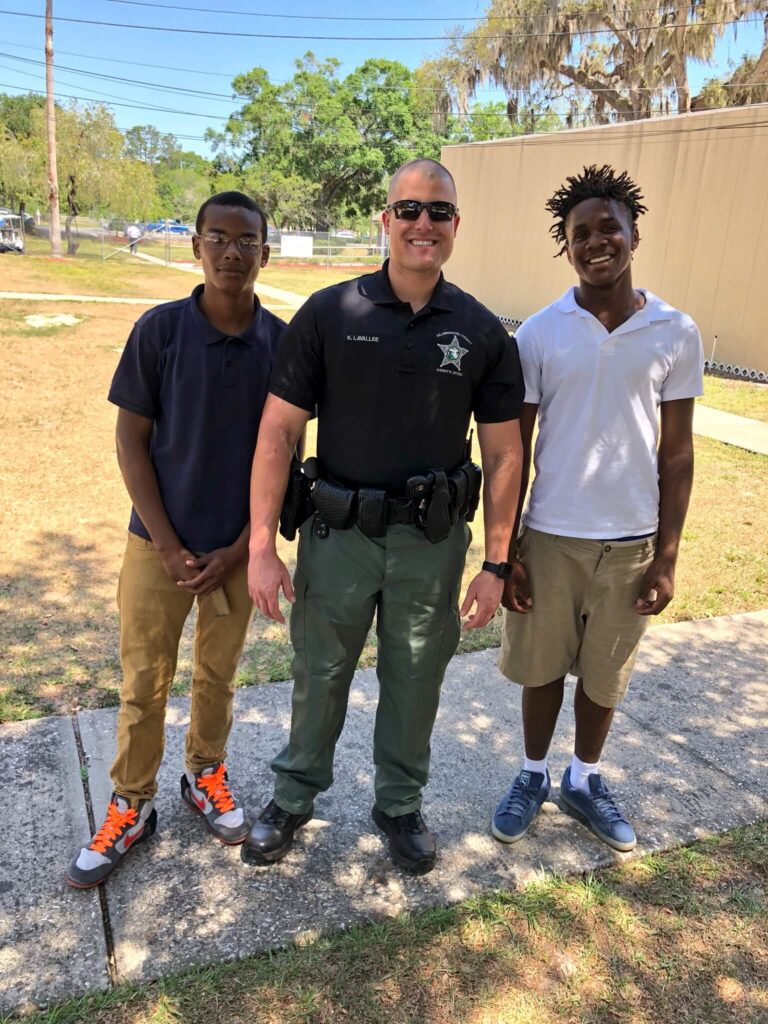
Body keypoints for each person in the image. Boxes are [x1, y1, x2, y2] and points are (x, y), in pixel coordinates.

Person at [243, 158, 525, 875]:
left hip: (430, 545)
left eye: (437, 212)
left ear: (456, 226)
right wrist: (260, 548)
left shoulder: (483, 332)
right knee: (319, 672)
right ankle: (294, 796)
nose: (422, 224)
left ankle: (400, 806)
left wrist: (497, 562)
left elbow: (504, 457)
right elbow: (278, 433)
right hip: (337, 535)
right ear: (384, 219)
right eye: (409, 210)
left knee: (415, 678)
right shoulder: (330, 314)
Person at [66, 191, 283, 888]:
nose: (231, 251)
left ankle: (205, 775)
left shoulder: (280, 344)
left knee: (217, 677)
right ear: (194, 247)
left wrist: (248, 546)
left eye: (245, 240)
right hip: (156, 547)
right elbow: (130, 440)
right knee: (143, 685)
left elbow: (285, 455)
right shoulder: (159, 332)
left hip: (234, 551)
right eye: (217, 238)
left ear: (264, 253)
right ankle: (130, 805)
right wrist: (164, 543)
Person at [491, 165, 704, 853]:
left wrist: (666, 557)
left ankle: (584, 780)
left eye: (609, 227)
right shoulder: (541, 333)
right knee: (541, 668)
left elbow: (677, 455)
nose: (596, 241)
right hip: (551, 536)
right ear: (566, 247)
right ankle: (532, 774)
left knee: (605, 673)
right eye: (580, 233)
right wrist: (508, 549)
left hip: (633, 541)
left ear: (634, 233)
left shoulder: (675, 330)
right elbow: (513, 451)